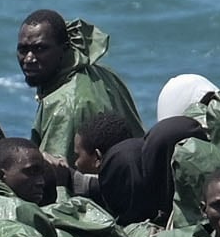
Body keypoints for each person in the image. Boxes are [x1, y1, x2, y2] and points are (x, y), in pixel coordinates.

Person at [14, 9, 139, 164]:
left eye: (40, 49)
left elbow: (57, 179)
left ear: (65, 48)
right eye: (23, 50)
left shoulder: (65, 106)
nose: (29, 58)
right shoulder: (101, 73)